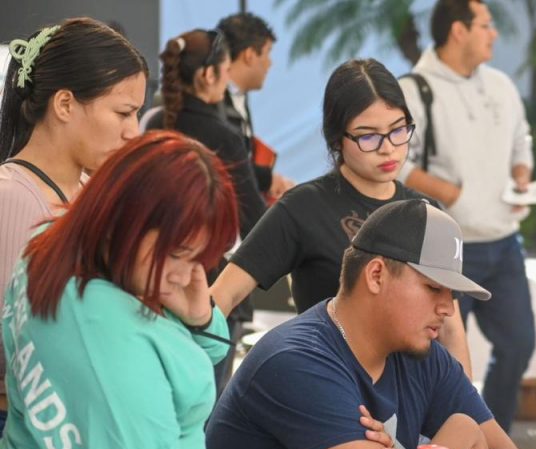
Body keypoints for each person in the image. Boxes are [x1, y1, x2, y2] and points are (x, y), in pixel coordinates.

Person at [0, 131, 237, 449]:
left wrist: (199, 319)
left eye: (200, 259)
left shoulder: (55, 251)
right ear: (130, 220)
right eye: (178, 254)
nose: (186, 275)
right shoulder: (101, 328)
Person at [201, 199, 529, 449]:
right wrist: (459, 434)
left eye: (451, 294)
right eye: (433, 288)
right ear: (376, 275)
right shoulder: (298, 361)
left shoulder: (423, 355)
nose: (448, 308)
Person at [211, 58, 471, 370]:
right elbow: (223, 296)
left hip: (413, 392)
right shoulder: (304, 207)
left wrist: (465, 400)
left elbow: (451, 330)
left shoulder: (428, 214)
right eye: (368, 136)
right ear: (337, 138)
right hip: (329, 383)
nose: (388, 148)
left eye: (398, 130)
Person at [0, 18, 147, 431]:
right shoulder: (12, 196)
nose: (133, 132)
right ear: (64, 104)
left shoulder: (89, 191)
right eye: (123, 113)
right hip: (27, 428)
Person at [399, 0, 535, 431]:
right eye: (486, 25)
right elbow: (398, 162)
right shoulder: (416, 89)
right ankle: (438, 441)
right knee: (438, 354)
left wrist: (521, 175)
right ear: (458, 31)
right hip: (447, 249)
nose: (494, 34)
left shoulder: (501, 85)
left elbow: (522, 140)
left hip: (504, 241)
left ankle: (492, 434)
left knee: (519, 344)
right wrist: (452, 194)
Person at [147, 29, 267, 394]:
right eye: (226, 70)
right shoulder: (223, 137)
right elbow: (256, 221)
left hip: (152, 283)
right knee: (203, 402)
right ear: (207, 75)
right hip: (208, 288)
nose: (228, 79)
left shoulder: (153, 124)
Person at [215, 11, 294, 200]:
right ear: (249, 55)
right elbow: (224, 164)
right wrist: (268, 179)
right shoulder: (213, 102)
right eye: (267, 53)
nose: (270, 63)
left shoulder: (238, 99)